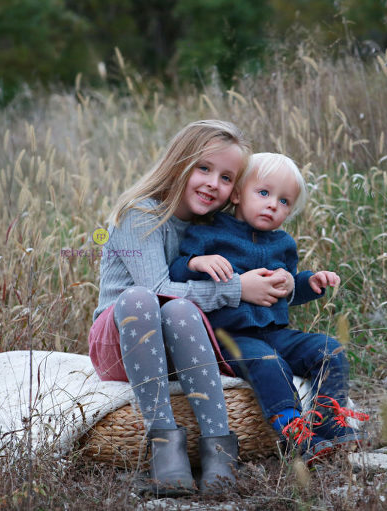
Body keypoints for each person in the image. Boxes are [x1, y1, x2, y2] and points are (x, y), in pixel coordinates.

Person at [87, 121, 292, 496]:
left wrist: (287, 282)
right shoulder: (140, 215)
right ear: (179, 163)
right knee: (142, 298)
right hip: (122, 339)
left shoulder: (211, 228)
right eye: (204, 168)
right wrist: (237, 289)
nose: (213, 183)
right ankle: (164, 446)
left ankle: (219, 448)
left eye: (226, 177)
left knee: (181, 311)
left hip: (180, 343)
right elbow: (158, 291)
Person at [169, 152, 368, 465]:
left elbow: (286, 291)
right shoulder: (207, 233)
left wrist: (308, 282)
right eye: (263, 193)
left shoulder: (282, 244)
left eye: (284, 201)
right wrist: (196, 262)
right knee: (269, 362)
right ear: (237, 194)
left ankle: (328, 420)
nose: (273, 205)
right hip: (230, 336)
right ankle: (294, 432)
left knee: (330, 350)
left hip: (275, 332)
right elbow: (177, 271)